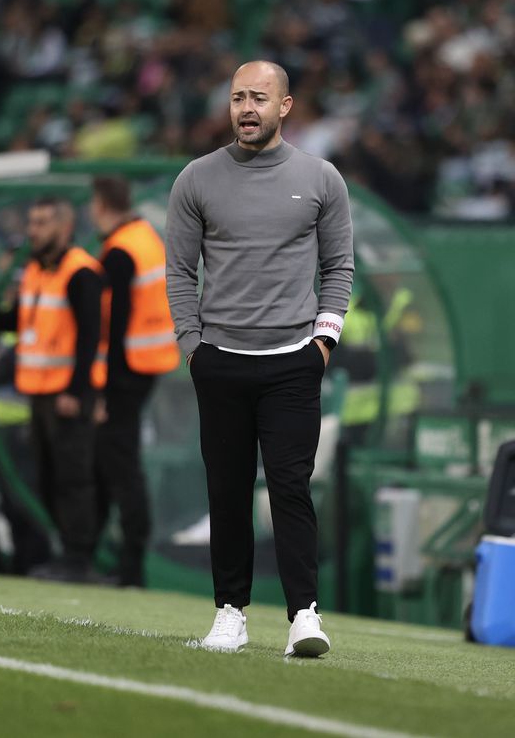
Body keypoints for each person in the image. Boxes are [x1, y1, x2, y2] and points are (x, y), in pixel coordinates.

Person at [165, 60, 353, 656]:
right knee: (226, 490)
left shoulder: (322, 178)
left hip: (294, 361)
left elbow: (339, 267)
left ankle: (304, 616)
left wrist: (323, 342)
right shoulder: (196, 179)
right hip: (219, 359)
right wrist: (193, 346)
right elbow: (177, 271)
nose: (247, 108)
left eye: (260, 98)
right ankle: (231, 613)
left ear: (286, 106)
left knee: (291, 489)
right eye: (238, 97)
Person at [0, 197, 105, 583]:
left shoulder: (81, 272)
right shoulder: (37, 272)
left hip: (67, 396)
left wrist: (76, 389)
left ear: (64, 226)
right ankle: (66, 554)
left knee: (74, 479)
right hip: (39, 394)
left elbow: (91, 337)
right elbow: (19, 321)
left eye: (41, 223)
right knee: (48, 479)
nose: (33, 230)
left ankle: (79, 560)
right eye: (32, 222)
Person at [89, 176, 180, 587]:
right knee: (117, 463)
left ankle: (129, 568)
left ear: (103, 204)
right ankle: (118, 562)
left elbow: (118, 326)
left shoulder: (121, 251)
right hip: (148, 364)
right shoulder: (144, 237)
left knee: (122, 466)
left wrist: (106, 390)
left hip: (127, 372)